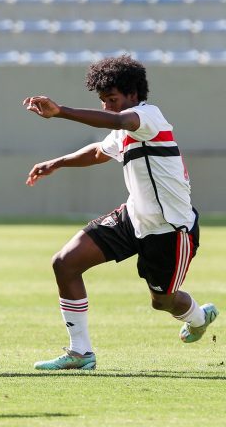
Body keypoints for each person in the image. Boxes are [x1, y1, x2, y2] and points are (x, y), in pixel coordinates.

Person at [22, 55, 218, 370]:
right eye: (103, 101)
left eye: (112, 100)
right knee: (65, 263)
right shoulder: (123, 125)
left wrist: (61, 112)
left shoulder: (148, 116)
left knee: (163, 302)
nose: (107, 107)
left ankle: (198, 316)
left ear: (133, 95)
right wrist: (55, 163)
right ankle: (81, 353)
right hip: (132, 218)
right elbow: (100, 151)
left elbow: (119, 122)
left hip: (170, 230)